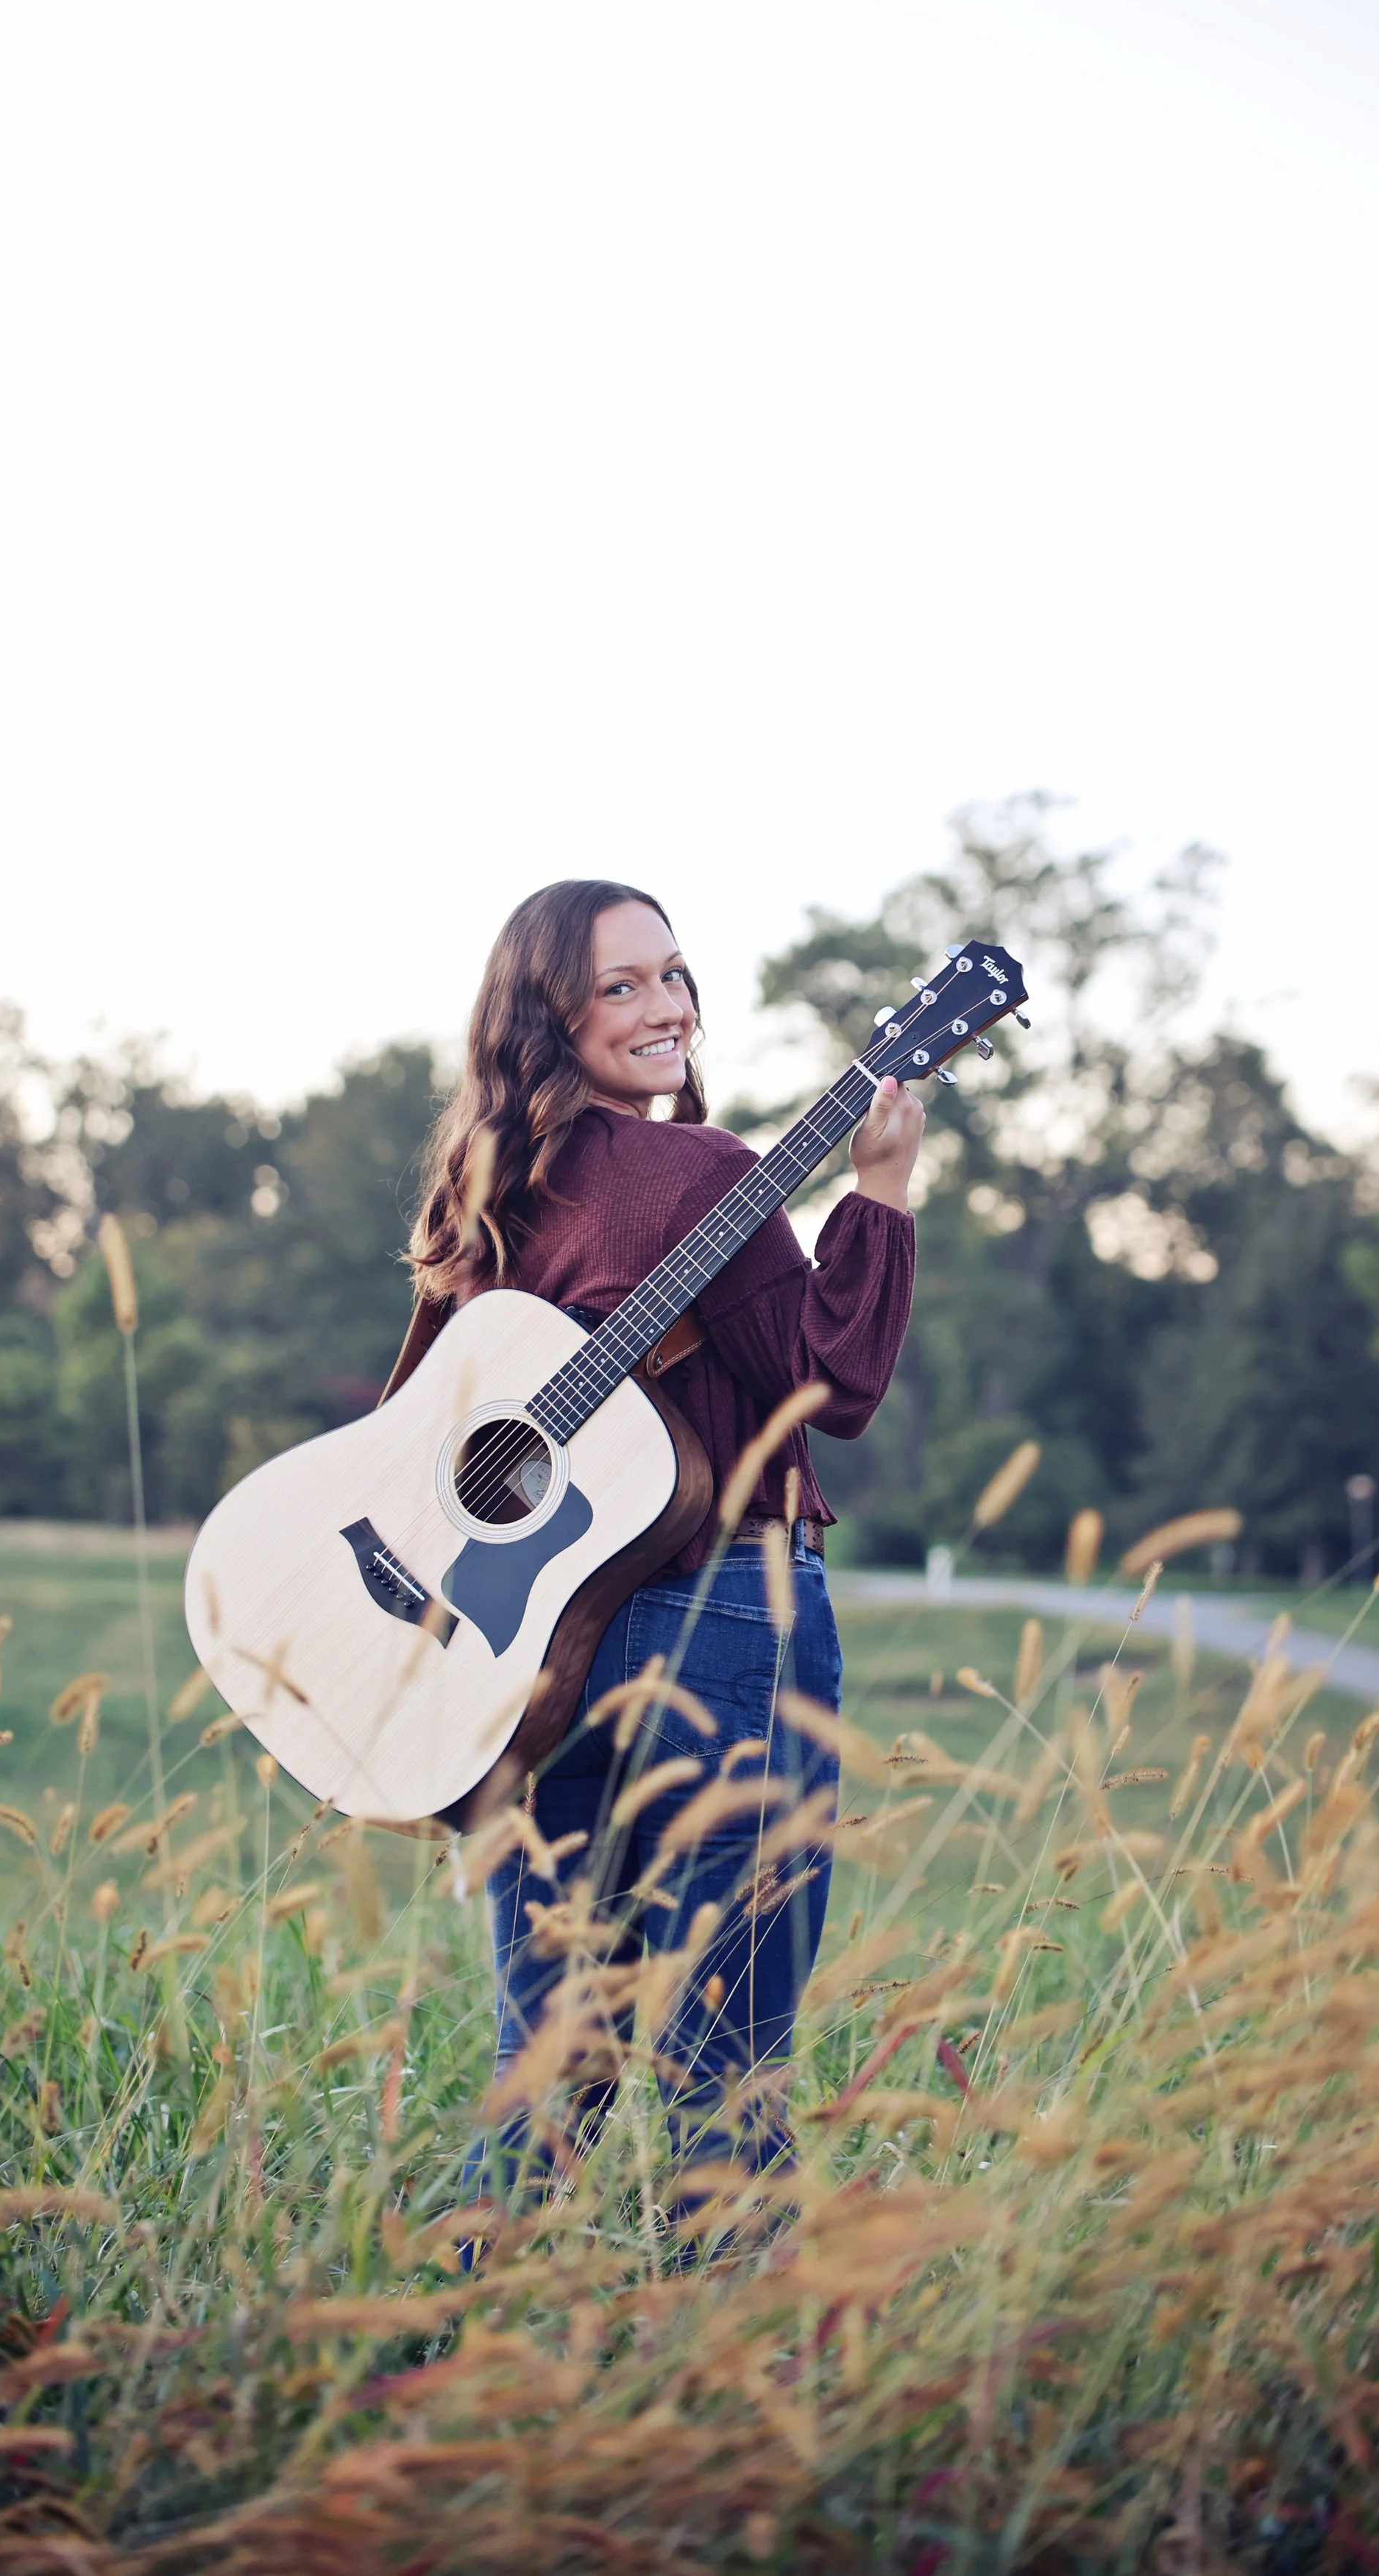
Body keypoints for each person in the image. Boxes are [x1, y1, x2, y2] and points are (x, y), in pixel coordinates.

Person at [406, 879, 921, 2230]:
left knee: (553, 2050)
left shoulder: (483, 1195)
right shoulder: (702, 1176)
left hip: (534, 1659)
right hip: (724, 1621)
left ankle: (470, 2348)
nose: (666, 1006)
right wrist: (879, 1193)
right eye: (622, 984)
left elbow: (422, 1439)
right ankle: (724, 2390)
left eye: (675, 975)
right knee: (726, 2057)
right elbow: (828, 1386)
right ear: (547, 1014)